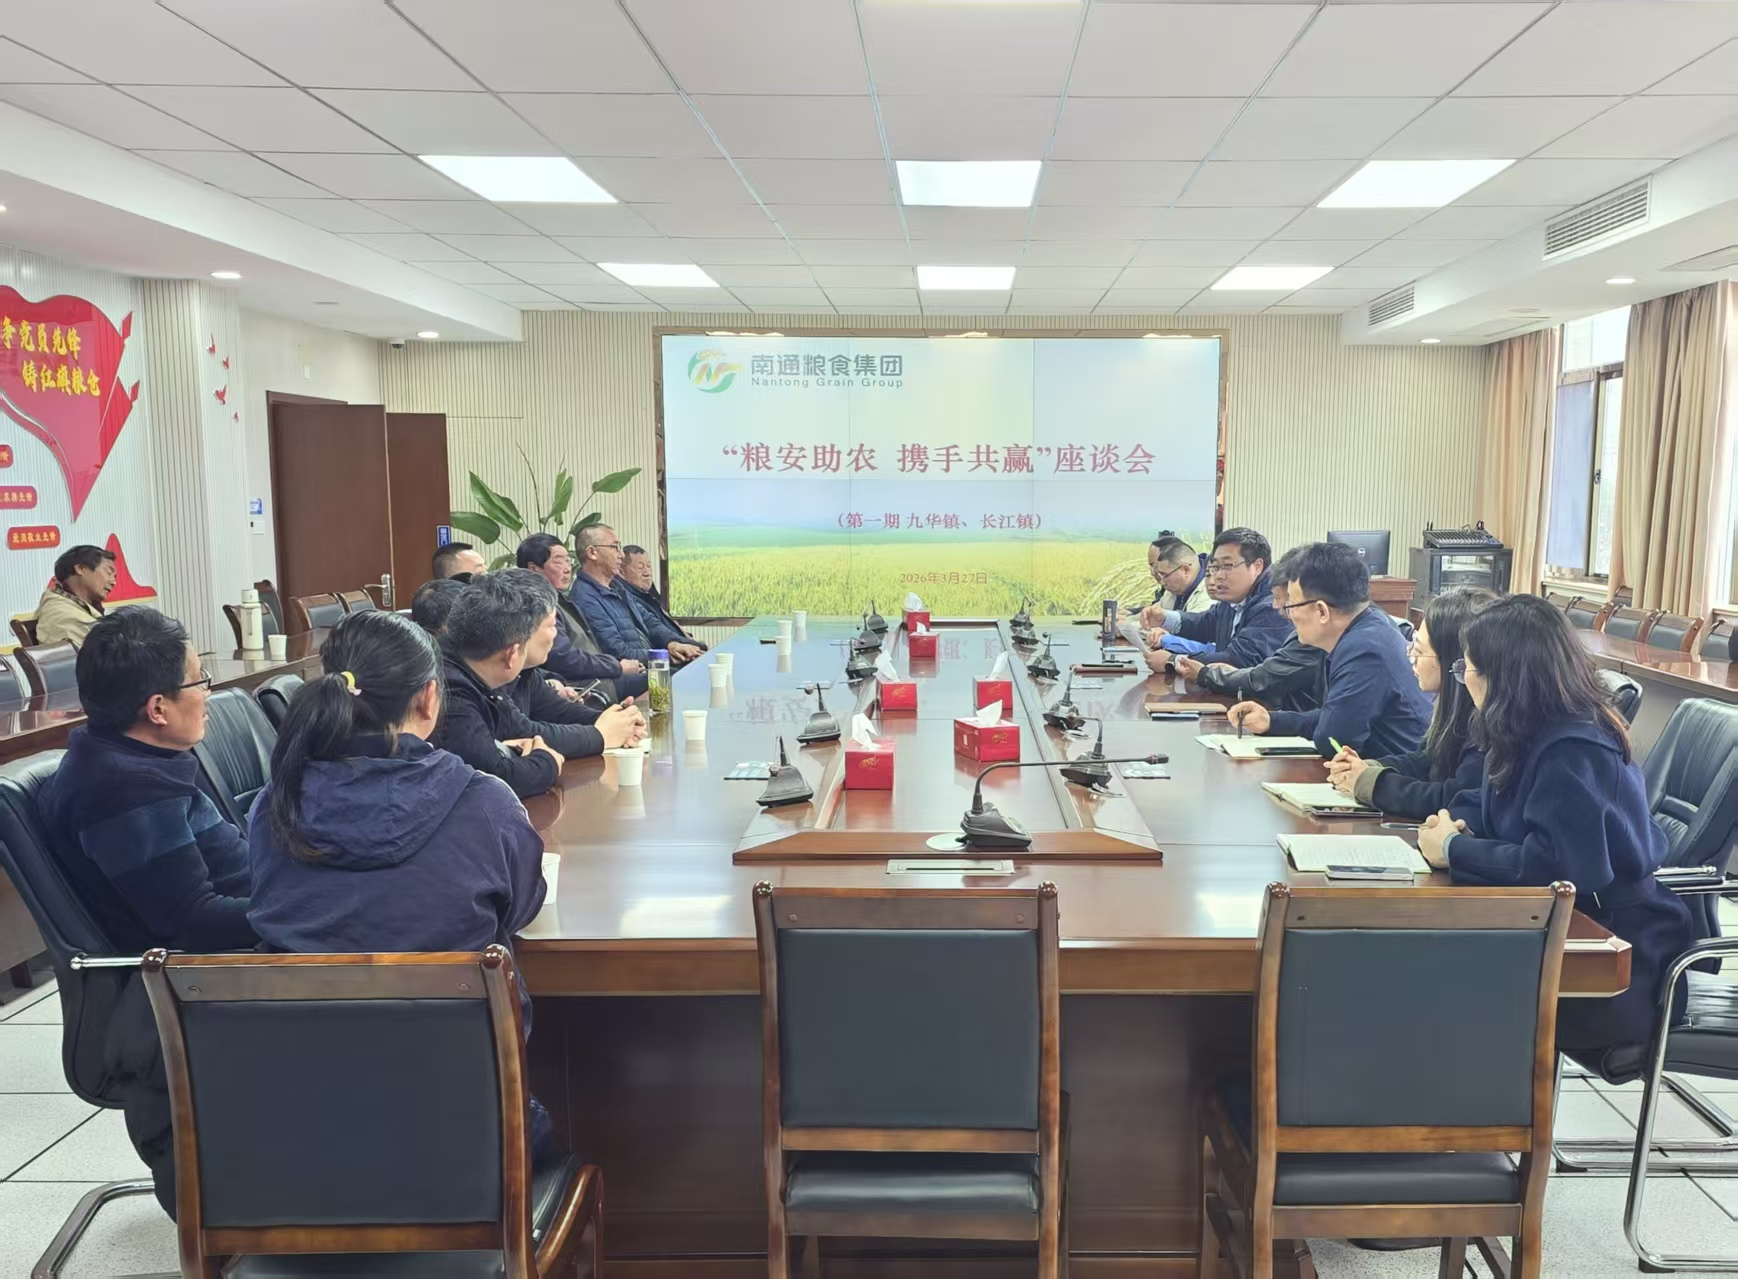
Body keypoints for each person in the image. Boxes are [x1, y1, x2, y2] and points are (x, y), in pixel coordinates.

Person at [245, 610, 556, 1161]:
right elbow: (523, 905)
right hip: (464, 1134)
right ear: (429, 698)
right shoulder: (483, 801)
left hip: (301, 1131)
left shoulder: (277, 803)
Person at [1418, 594, 1695, 1069]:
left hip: (1616, 964)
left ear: (1504, 676)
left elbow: (1557, 867)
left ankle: (1476, 1110)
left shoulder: (1573, 749)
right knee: (1429, 973)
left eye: (1468, 667)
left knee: (1433, 985)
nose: (1463, 678)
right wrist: (1451, 825)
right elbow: (1489, 805)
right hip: (1560, 932)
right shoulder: (1524, 729)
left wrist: (1455, 849)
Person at [38, 607, 253, 1216]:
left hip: (224, 951)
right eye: (198, 680)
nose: (208, 693)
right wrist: (304, 908)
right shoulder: (124, 790)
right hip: (189, 983)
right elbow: (193, 920)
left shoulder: (133, 758)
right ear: (157, 708)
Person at [434, 569, 644, 798]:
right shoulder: (449, 688)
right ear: (512, 652)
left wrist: (616, 722)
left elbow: (554, 712)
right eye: (552, 625)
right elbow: (497, 775)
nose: (555, 636)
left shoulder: (487, 667)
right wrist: (553, 758)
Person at [1228, 541, 1431, 758]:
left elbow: (1333, 740)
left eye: (1291, 605)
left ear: (1322, 611)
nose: (1288, 615)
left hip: (1396, 773)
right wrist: (1272, 720)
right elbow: (1337, 715)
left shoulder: (1365, 651)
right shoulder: (1366, 627)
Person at [1326, 587, 1495, 817]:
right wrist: (1368, 768)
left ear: (1454, 660)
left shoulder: (1486, 723)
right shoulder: (1451, 708)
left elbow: (1453, 797)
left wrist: (1372, 783)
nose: (1411, 657)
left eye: (1419, 649)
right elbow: (1427, 761)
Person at [1185, 553, 1323, 712]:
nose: (1275, 606)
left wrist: (1206, 674)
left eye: (1283, 599)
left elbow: (1264, 679)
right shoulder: (1307, 633)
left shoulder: (1317, 639)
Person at [516, 533, 647, 699]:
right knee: (659, 678)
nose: (567, 568)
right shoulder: (538, 606)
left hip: (601, 679)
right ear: (534, 569)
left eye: (568, 560)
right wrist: (617, 666)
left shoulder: (559, 601)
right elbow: (564, 658)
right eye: (558, 561)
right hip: (584, 689)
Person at [1143, 527, 1291, 673]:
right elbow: (1206, 623)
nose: (1218, 576)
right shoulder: (1235, 597)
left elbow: (1240, 661)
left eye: (1227, 566)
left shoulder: (1274, 605)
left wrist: (1173, 661)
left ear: (1257, 566)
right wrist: (1164, 618)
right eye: (1216, 567)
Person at [572, 525, 702, 665]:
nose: (621, 555)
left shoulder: (617, 587)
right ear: (592, 553)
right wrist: (664, 655)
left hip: (650, 665)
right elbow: (617, 652)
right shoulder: (585, 598)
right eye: (615, 547)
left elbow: (649, 621)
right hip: (636, 672)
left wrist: (672, 644)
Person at [619, 545, 708, 652]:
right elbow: (654, 629)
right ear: (622, 572)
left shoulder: (649, 593)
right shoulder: (627, 599)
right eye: (640, 568)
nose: (647, 573)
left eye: (649, 566)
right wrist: (692, 644)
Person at [35, 543, 118, 647]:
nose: (113, 582)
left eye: (115, 577)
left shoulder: (73, 606)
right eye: (109, 573)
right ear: (81, 569)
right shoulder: (61, 613)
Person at [1140, 533, 1210, 623]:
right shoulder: (1175, 588)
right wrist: (1129, 618)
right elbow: (1153, 615)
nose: (1162, 582)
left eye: (1164, 575)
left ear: (1186, 570)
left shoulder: (1210, 594)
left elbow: (1193, 628)